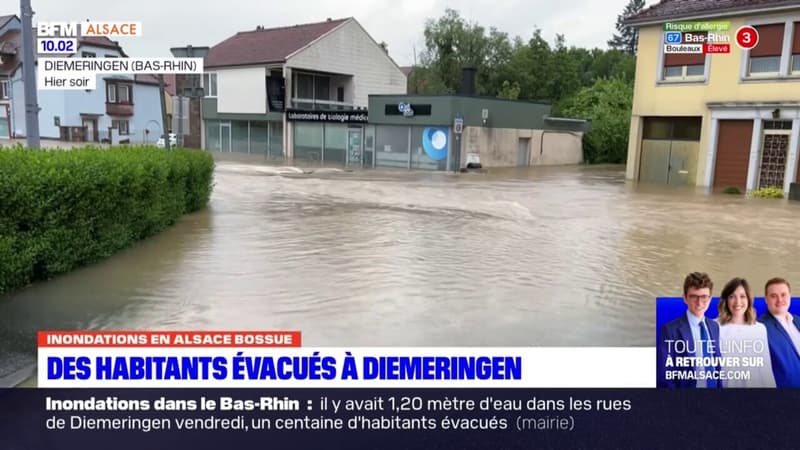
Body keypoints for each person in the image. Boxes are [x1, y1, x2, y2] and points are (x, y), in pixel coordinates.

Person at [658, 272, 723, 388]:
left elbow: (717, 366)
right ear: (685, 298)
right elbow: (664, 376)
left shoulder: (714, 327)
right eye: (694, 296)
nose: (699, 303)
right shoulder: (669, 330)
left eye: (704, 297)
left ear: (710, 298)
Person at [715, 278, 775, 387]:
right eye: (732, 297)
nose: (738, 302)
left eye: (742, 296)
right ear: (726, 300)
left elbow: (766, 369)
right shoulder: (714, 327)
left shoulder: (759, 329)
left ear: (749, 300)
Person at [758, 278, 800, 387]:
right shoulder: (759, 328)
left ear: (790, 296)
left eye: (783, 295)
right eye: (773, 296)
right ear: (766, 299)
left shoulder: (798, 321)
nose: (779, 299)